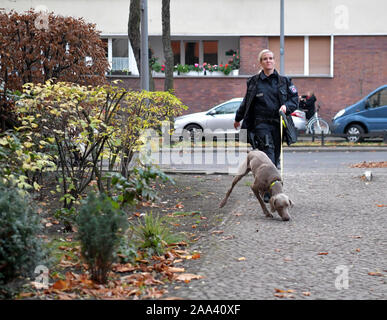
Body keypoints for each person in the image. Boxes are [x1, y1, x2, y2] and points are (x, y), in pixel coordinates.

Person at [234, 49, 299, 169]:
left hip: (278, 124)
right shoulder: (254, 82)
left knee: (275, 154)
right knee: (268, 152)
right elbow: (246, 102)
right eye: (265, 59)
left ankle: (268, 178)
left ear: (274, 61)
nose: (268, 61)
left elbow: (295, 100)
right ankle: (270, 182)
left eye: (270, 58)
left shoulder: (284, 81)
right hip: (261, 124)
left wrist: (286, 106)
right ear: (261, 62)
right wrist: (238, 118)